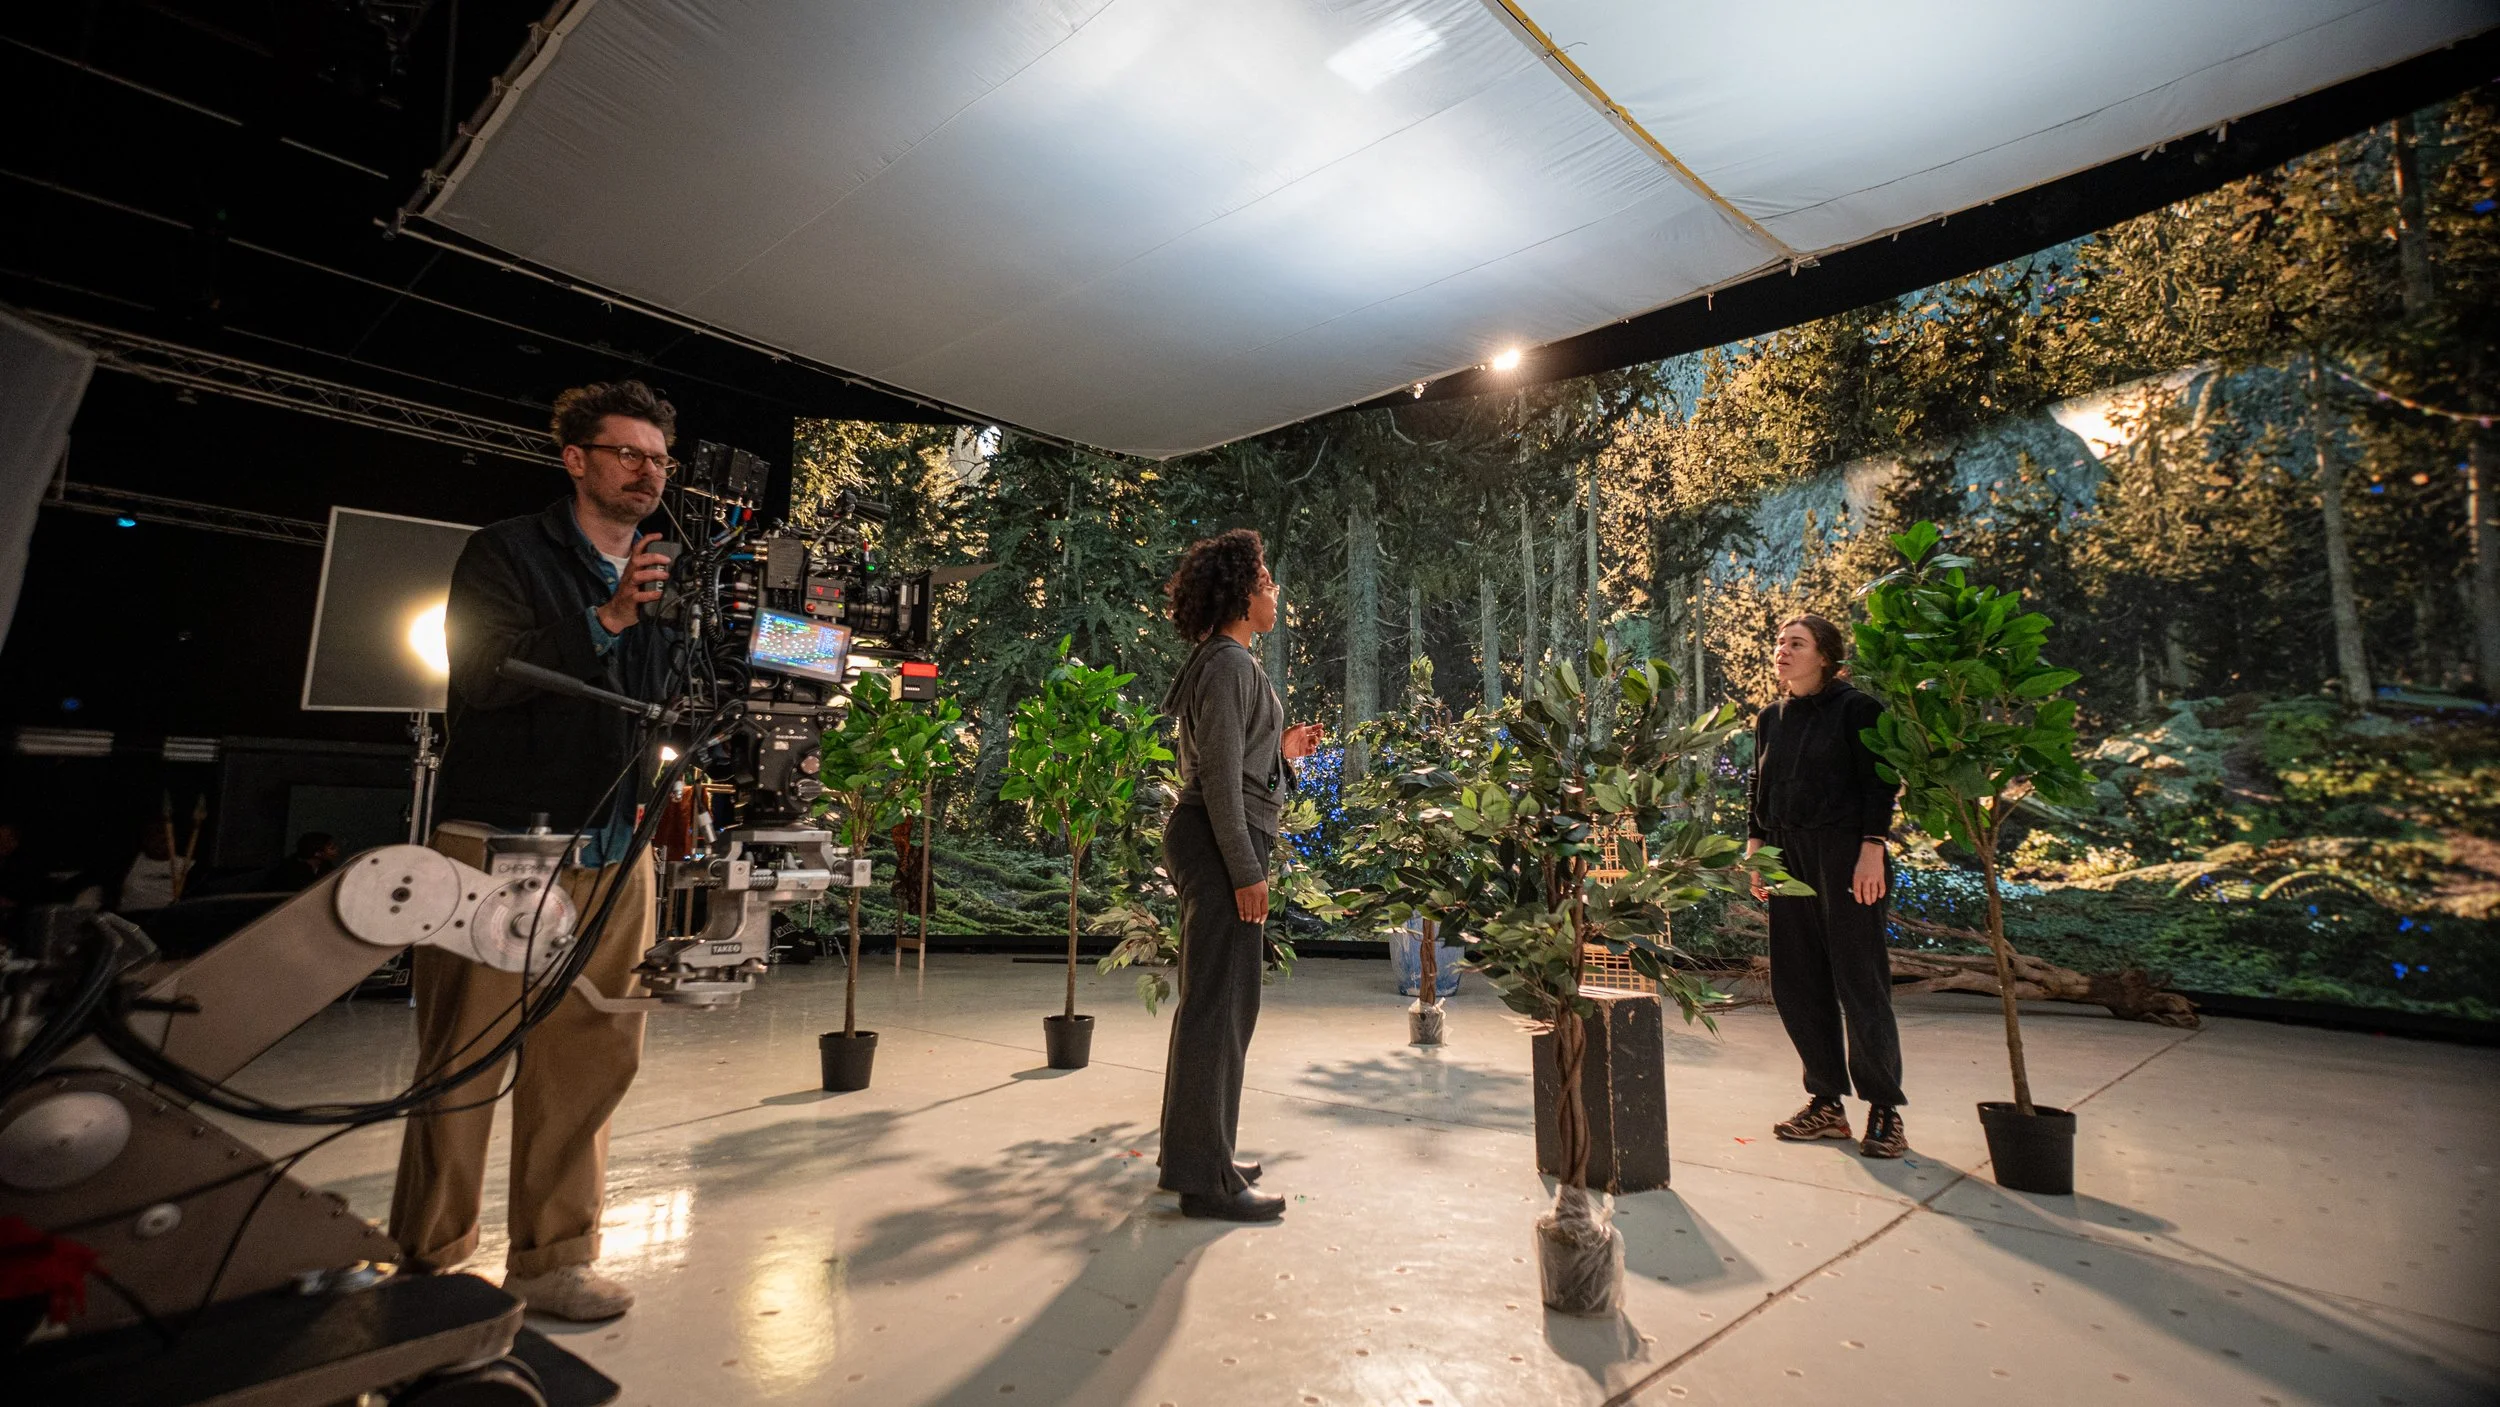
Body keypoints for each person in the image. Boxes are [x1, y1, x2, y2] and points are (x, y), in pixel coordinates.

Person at [389, 380, 680, 1320]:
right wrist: (606, 622)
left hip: (615, 847)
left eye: (660, 458)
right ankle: (429, 1259)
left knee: (590, 1057)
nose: (648, 472)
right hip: (499, 842)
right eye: (629, 453)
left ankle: (553, 1258)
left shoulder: (662, 576)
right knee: (463, 1054)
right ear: (577, 459)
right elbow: (481, 672)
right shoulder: (506, 553)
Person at [1155, 530, 1323, 1221]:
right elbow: (1220, 780)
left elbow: (1239, 762)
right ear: (1244, 592)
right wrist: (1247, 867)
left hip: (1225, 836)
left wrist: (1281, 749)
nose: (1275, 591)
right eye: (1267, 580)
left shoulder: (1228, 664)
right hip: (1222, 841)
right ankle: (1206, 1179)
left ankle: (1205, 1153)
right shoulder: (1226, 665)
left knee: (1227, 1004)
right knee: (1219, 1007)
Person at [1744, 613, 1909, 1159]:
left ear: (1826, 655)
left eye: (1796, 643)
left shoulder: (1859, 709)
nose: (1782, 651)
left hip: (1844, 854)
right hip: (1786, 856)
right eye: (1780, 643)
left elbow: (1879, 783)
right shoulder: (1771, 718)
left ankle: (1884, 1112)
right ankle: (1827, 1104)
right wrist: (1757, 850)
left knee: (1860, 981)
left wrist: (1872, 849)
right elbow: (1758, 788)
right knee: (1798, 983)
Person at [116, 821, 187, 913]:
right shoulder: (130, 861)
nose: (158, 839)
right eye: (152, 836)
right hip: (129, 920)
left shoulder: (188, 866)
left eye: (163, 835)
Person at [265, 832, 340, 891]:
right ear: (317, 853)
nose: (337, 850)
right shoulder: (289, 870)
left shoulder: (326, 867)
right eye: (332, 848)